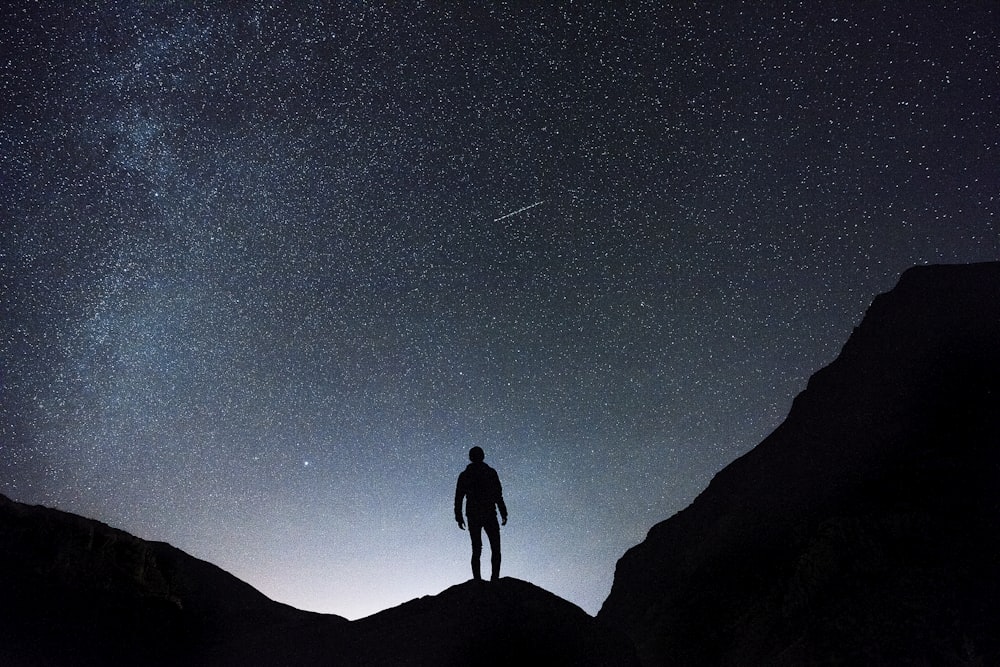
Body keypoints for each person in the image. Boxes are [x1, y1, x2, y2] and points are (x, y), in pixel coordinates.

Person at [454, 446, 508, 581]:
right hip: (486, 513)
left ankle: (480, 580)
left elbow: (459, 497)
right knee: (492, 548)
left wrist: (459, 516)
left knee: (478, 549)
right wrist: (503, 511)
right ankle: (492, 578)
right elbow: (498, 495)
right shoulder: (489, 472)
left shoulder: (466, 474)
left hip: (476, 514)